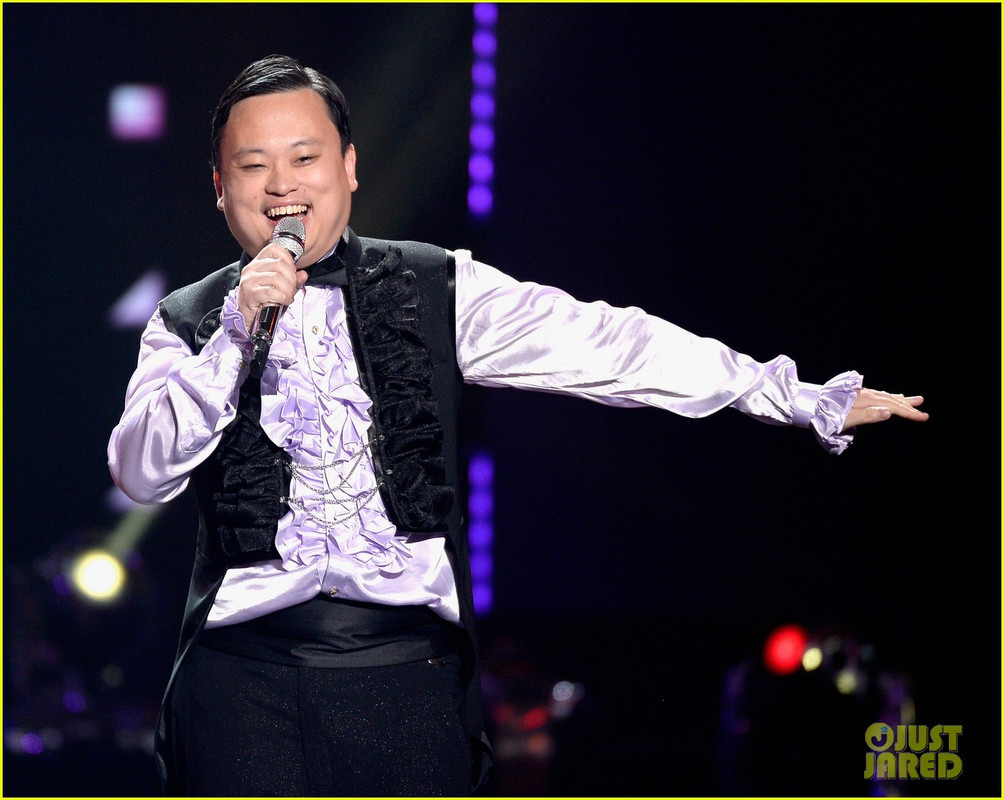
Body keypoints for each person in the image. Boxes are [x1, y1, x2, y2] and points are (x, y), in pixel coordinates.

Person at [107, 54, 928, 797]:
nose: (281, 184)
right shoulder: (190, 321)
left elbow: (607, 342)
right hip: (243, 684)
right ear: (220, 185)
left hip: (406, 680)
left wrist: (784, 394)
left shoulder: (435, 286)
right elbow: (141, 472)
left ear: (350, 168)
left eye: (305, 158)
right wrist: (239, 333)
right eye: (253, 166)